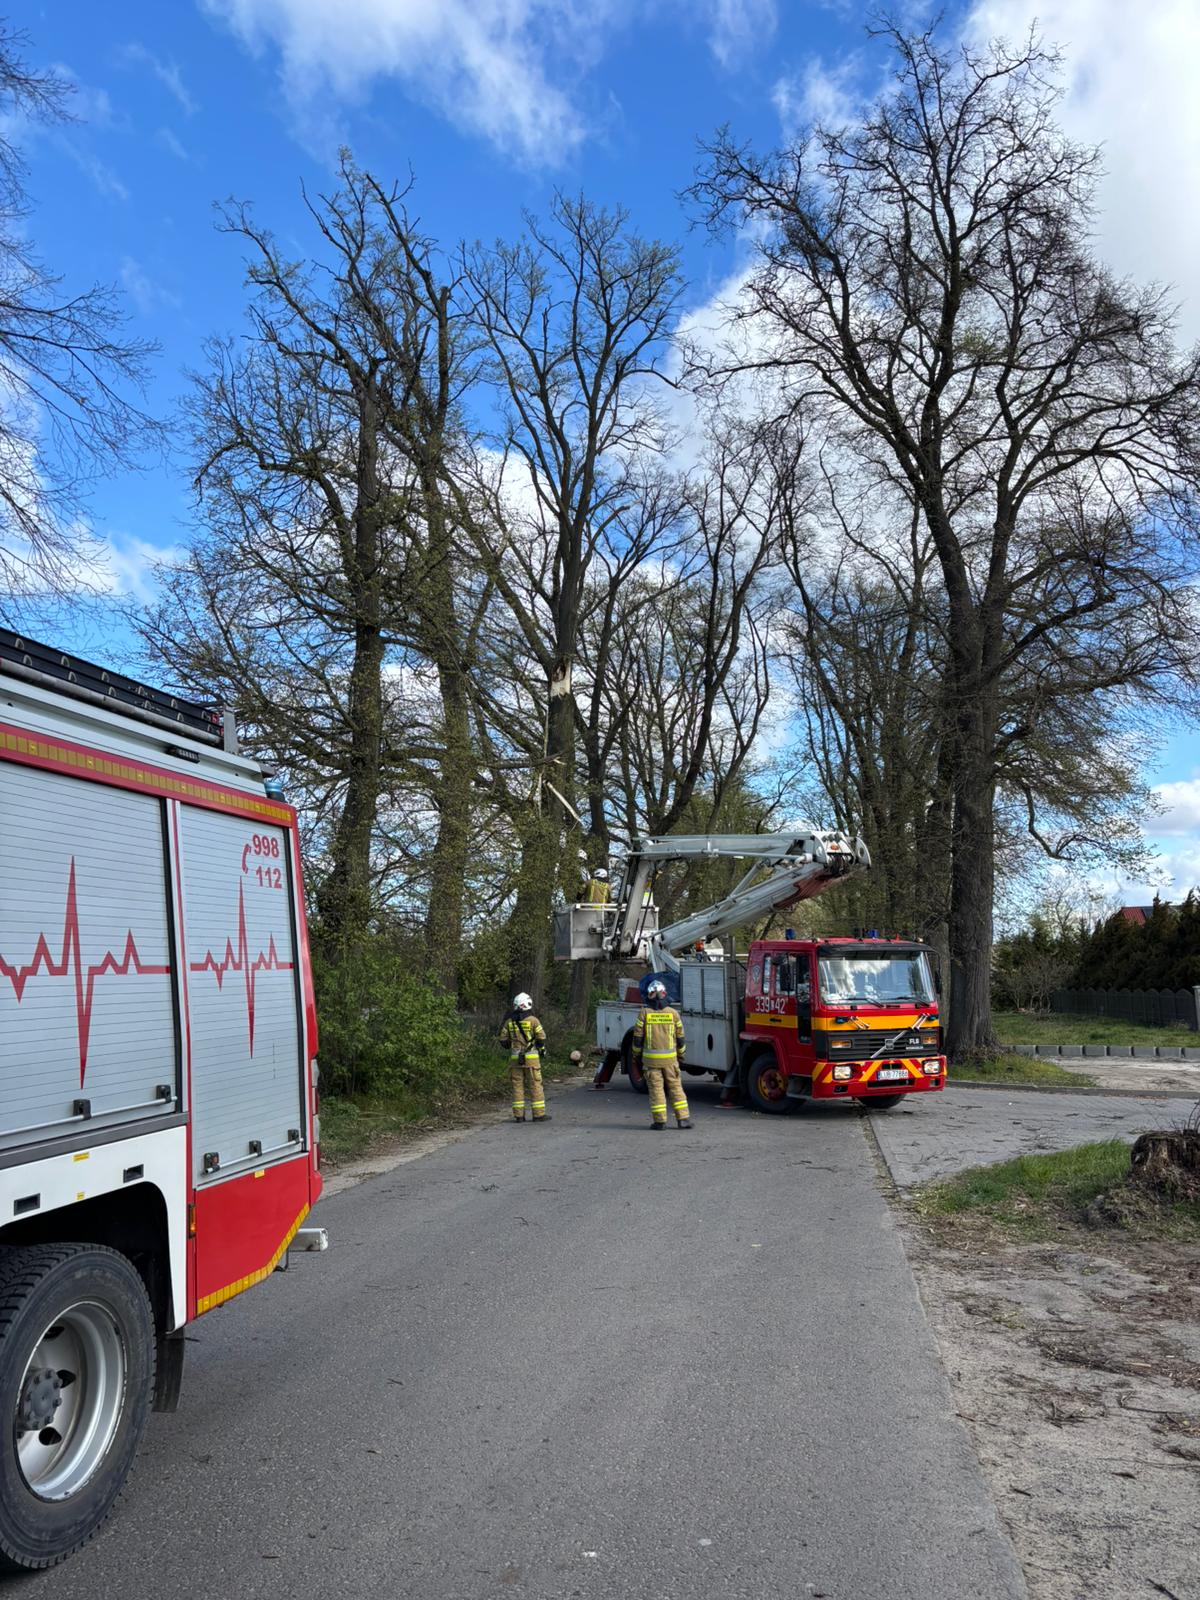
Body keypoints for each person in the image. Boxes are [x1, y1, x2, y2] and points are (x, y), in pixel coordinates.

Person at [632, 979, 692, 1130]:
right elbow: (681, 1039)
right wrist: (681, 1055)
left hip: (651, 1062)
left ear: (649, 995)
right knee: (676, 1088)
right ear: (665, 994)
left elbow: (637, 1039)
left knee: (656, 1090)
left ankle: (660, 1122)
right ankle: (683, 1120)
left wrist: (636, 1055)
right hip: (671, 1061)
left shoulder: (644, 1013)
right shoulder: (673, 1014)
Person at [499, 993, 551, 1123]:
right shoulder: (533, 1020)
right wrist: (539, 1048)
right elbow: (541, 1038)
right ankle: (538, 1115)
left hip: (515, 1060)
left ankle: (519, 1116)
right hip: (531, 1060)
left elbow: (503, 1041)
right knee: (535, 1085)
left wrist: (514, 1044)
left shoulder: (509, 1022)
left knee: (517, 1086)